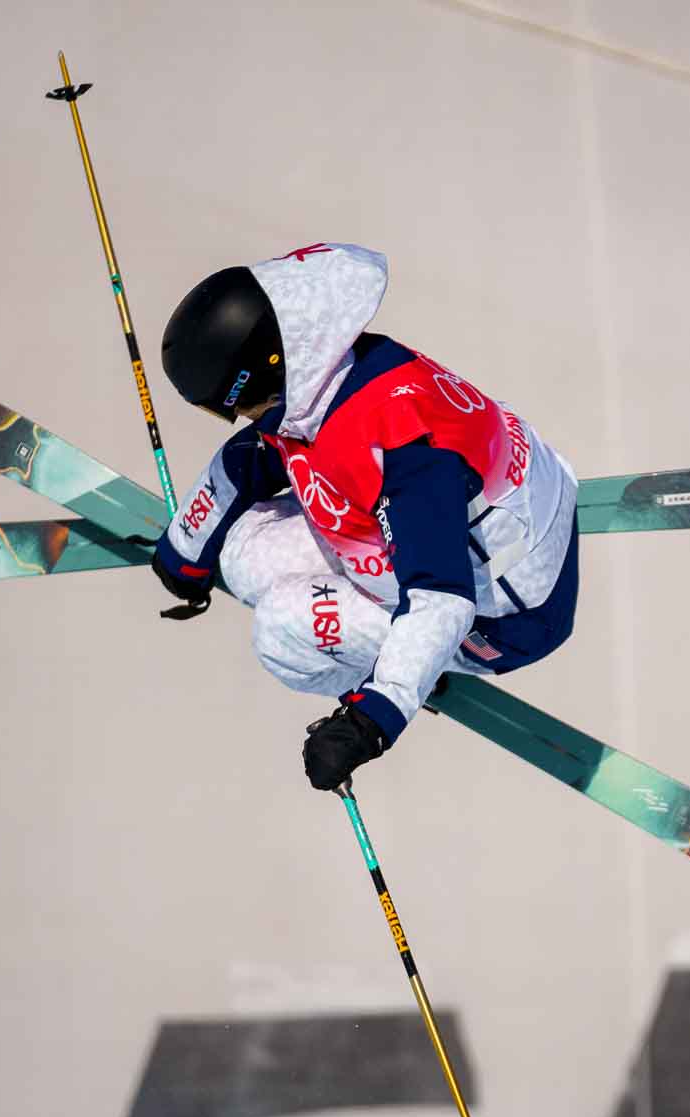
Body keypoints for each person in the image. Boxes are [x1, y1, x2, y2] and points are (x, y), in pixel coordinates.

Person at [151, 243, 580, 791]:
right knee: (241, 557)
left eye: (230, 403)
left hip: (508, 612)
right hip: (467, 525)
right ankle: (389, 647)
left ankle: (417, 669)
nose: (234, 416)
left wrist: (369, 720)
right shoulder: (326, 373)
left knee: (282, 632)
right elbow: (257, 457)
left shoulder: (401, 445)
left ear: (265, 370)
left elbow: (441, 599)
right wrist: (188, 547)